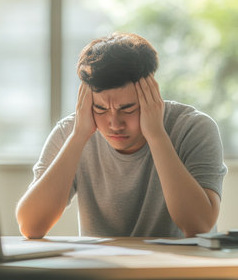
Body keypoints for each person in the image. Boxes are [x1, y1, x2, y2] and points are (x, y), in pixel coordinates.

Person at [16, 32, 227, 239]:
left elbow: (200, 227)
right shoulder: (71, 131)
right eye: (100, 108)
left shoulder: (193, 127)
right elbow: (31, 226)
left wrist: (156, 135)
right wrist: (79, 136)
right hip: (102, 272)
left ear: (151, 94)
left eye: (127, 108)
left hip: (178, 271)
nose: (114, 124)